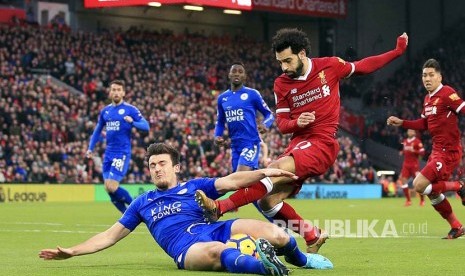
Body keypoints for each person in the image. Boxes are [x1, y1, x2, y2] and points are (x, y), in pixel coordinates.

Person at [196, 28, 409, 253]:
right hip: (299, 143)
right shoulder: (281, 83)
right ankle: (311, 234)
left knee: (274, 169)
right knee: (267, 202)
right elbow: (282, 123)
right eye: (280, 62)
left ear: (302, 53)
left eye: (287, 60)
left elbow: (364, 66)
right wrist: (298, 122)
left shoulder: (330, 66)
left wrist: (397, 51)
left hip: (323, 143)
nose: (284, 67)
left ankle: (220, 207)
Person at [39, 143, 334, 275]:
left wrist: (265, 172)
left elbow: (232, 180)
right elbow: (109, 236)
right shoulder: (142, 203)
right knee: (218, 253)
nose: (156, 169)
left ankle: (302, 261)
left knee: (277, 234)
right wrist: (72, 251)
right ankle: (268, 269)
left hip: (214, 228)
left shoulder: (195, 185)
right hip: (185, 247)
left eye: (162, 163)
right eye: (152, 165)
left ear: (175, 167)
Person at [387, 58, 465, 239]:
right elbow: (424, 123)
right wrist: (403, 122)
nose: (427, 79)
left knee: (419, 185)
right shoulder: (428, 99)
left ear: (439, 77)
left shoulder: (447, 93)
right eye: (424, 75)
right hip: (437, 152)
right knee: (433, 193)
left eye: (431, 75)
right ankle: (456, 225)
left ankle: (459, 185)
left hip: (448, 152)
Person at [86, 79, 149, 213]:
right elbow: (97, 130)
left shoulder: (130, 110)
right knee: (108, 188)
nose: (116, 92)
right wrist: (90, 148)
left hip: (122, 153)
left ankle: (138, 210)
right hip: (108, 154)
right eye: (113, 90)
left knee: (112, 186)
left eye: (119, 90)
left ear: (123, 93)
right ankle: (127, 215)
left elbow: (146, 126)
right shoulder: (105, 111)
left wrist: (133, 122)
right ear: (110, 93)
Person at [215, 62, 275, 173]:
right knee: (240, 183)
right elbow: (220, 122)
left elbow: (269, 114)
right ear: (229, 75)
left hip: (251, 143)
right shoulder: (222, 98)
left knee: (240, 175)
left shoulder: (252, 94)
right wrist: (217, 135)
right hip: (235, 145)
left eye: (240, 72)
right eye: (234, 71)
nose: (237, 74)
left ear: (245, 76)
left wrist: (265, 124)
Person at [399, 129, 425, 206]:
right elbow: (405, 151)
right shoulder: (405, 141)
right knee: (403, 181)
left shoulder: (417, 141)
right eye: (409, 131)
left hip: (414, 165)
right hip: (406, 165)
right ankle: (408, 200)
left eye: (411, 131)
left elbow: (422, 152)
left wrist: (414, 151)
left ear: (414, 132)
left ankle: (422, 200)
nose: (410, 132)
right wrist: (402, 152)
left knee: (418, 184)